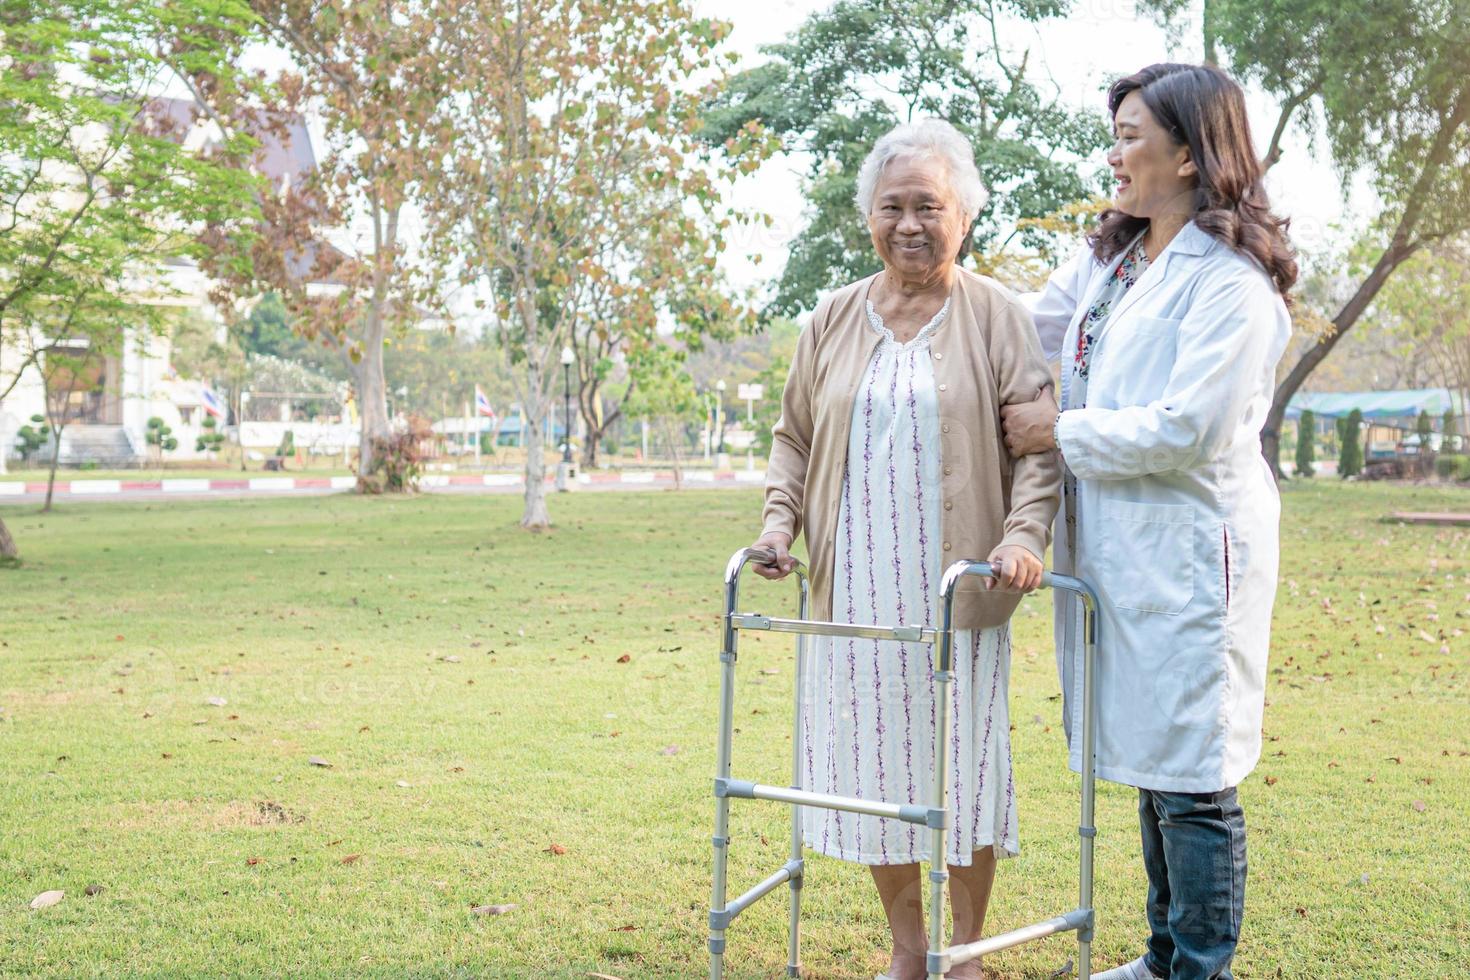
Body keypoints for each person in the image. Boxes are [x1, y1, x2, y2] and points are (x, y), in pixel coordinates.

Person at [1001, 63, 1296, 980]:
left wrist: (1060, 429)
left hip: (1189, 552)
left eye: (1133, 134)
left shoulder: (1233, 284)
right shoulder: (1114, 258)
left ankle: (1198, 966)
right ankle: (1161, 953)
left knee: (1193, 775)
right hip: (1122, 554)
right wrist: (931, 273)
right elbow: (1021, 327)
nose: (1116, 152)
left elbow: (1189, 427)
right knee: (1145, 755)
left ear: (1189, 153)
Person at [751, 118, 1060, 980]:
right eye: (893, 207)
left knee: (961, 776)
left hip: (960, 585)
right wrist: (780, 526)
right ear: (869, 218)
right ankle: (909, 949)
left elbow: (1039, 450)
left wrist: (1025, 537)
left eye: (930, 205)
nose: (911, 224)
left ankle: (965, 950)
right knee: (869, 770)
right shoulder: (833, 316)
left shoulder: (998, 314)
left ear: (964, 215)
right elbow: (794, 439)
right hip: (853, 591)